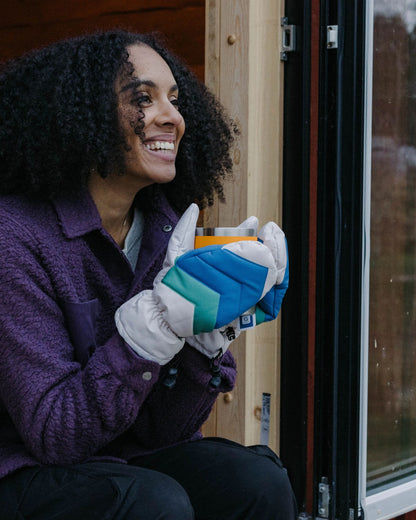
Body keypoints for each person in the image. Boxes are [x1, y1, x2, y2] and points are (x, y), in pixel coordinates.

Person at [0, 29, 296, 519]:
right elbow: (55, 434)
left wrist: (206, 341)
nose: (173, 117)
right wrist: (150, 330)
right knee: (153, 501)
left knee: (255, 481)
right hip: (23, 472)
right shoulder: (15, 236)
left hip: (120, 458)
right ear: (82, 116)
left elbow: (164, 433)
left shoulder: (166, 229)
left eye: (175, 99)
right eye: (144, 97)